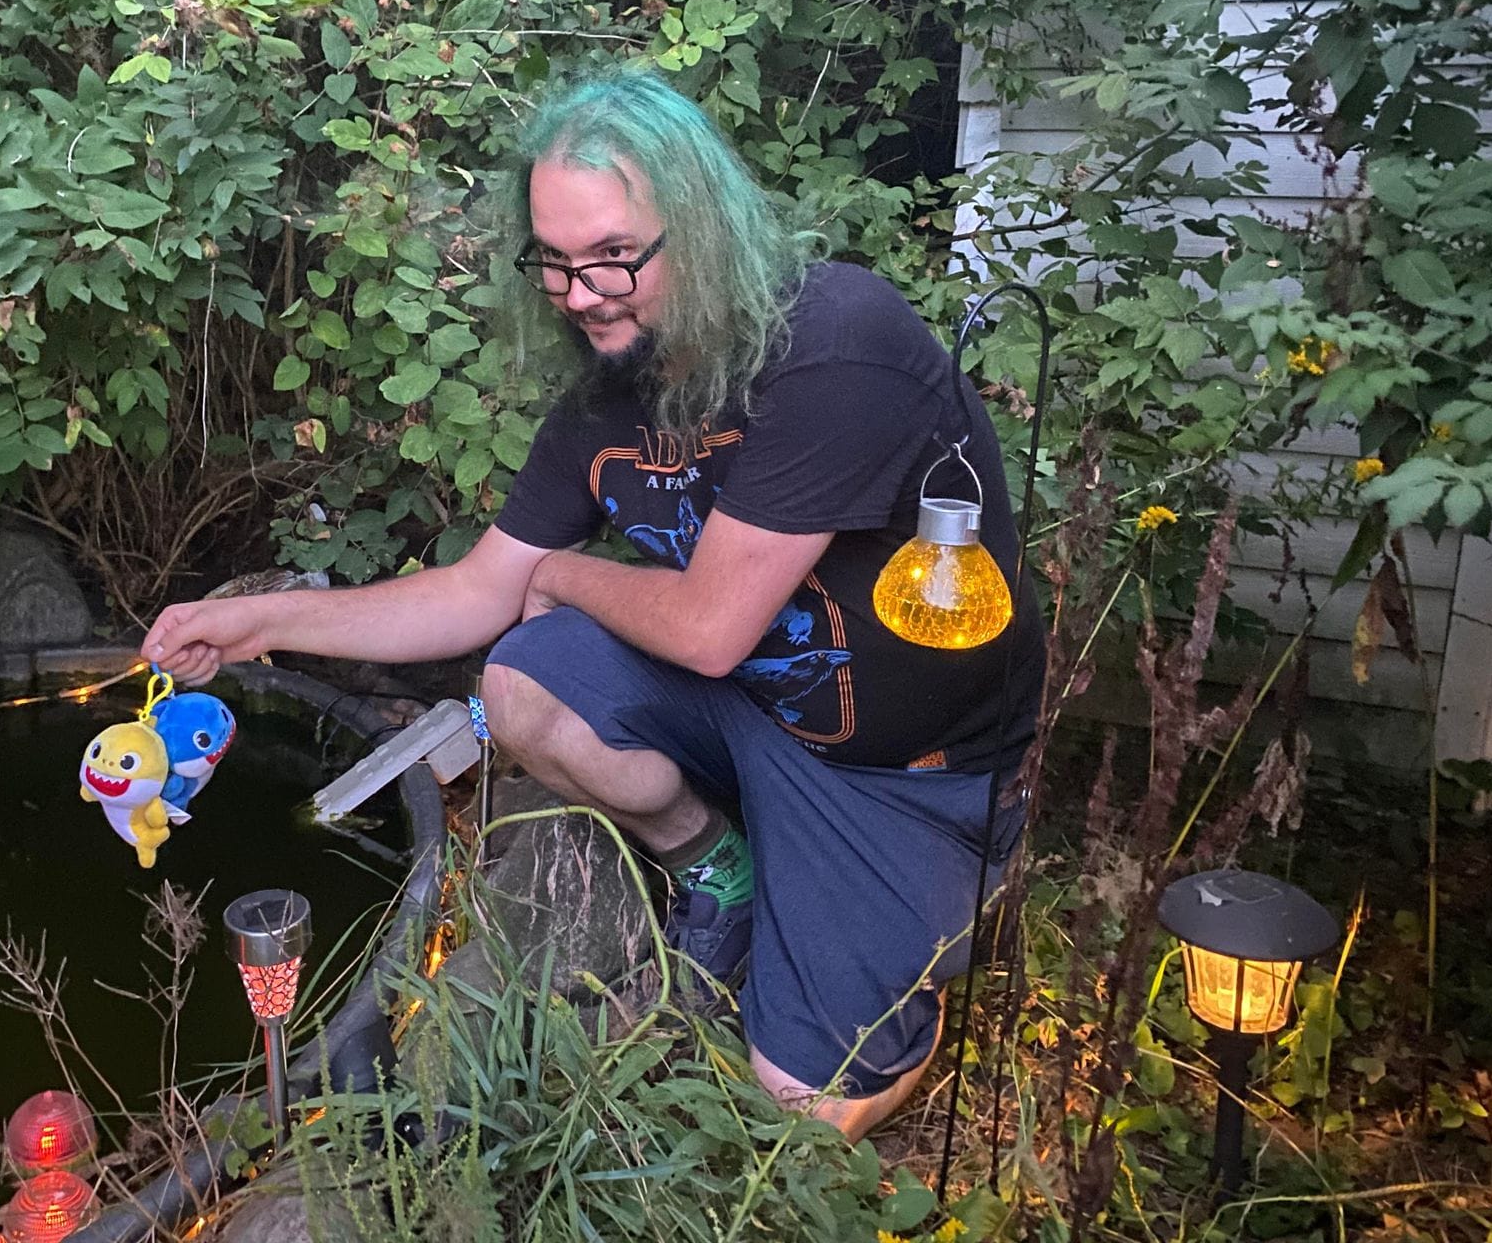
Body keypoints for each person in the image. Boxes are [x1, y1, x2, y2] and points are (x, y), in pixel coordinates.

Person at [144, 66, 1043, 1138]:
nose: (579, 295)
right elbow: (477, 591)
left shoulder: (835, 343)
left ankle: (936, 901)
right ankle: (718, 867)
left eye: (615, 256)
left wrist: (562, 573)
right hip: (749, 716)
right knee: (522, 688)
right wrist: (257, 625)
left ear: (700, 227)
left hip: (898, 771)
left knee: (803, 1108)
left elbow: (705, 632)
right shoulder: (605, 400)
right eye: (555, 264)